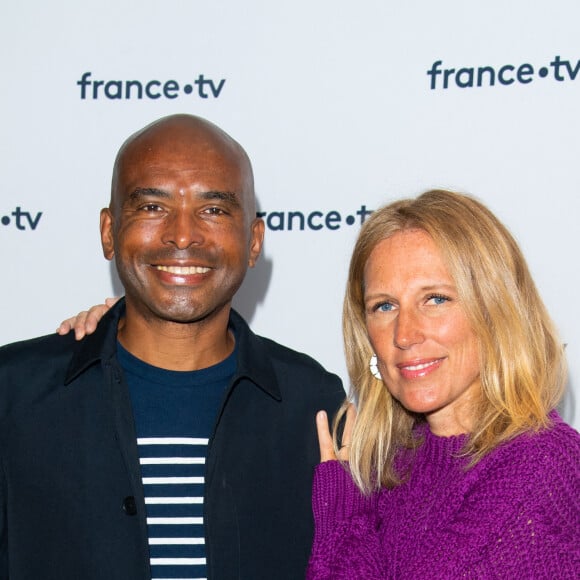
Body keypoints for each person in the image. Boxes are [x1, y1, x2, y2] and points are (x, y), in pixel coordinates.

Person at [0, 114, 344, 580]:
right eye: (152, 208)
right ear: (108, 231)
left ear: (253, 240)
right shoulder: (14, 397)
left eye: (214, 210)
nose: (183, 236)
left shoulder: (314, 406)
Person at [308, 189, 580, 579]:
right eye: (384, 306)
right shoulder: (392, 469)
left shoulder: (543, 464)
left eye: (435, 299)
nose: (405, 334)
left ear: (495, 312)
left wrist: (345, 521)